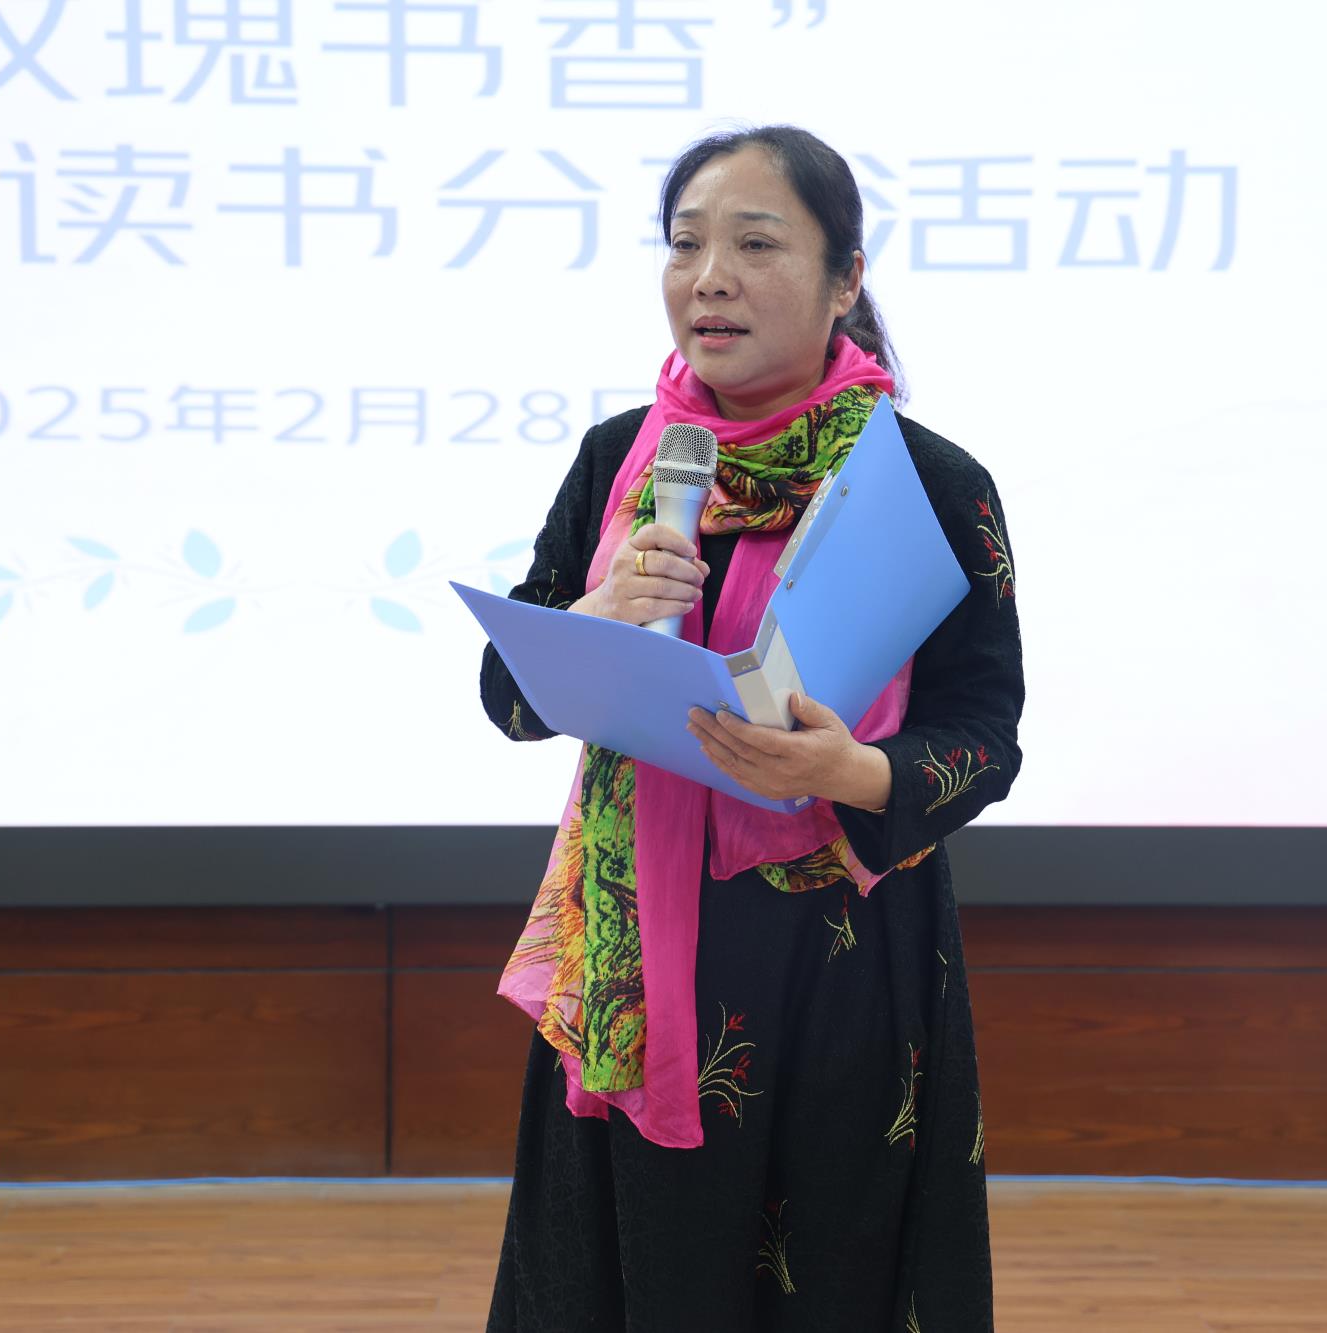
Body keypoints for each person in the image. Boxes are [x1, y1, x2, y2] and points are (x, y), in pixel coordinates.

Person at [477, 123, 1026, 1332]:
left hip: (838, 967)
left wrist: (853, 769)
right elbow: (508, 694)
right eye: (683, 245)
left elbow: (985, 736)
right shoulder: (622, 460)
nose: (707, 278)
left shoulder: (930, 483)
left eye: (754, 245)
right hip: (630, 953)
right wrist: (593, 615)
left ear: (844, 279)